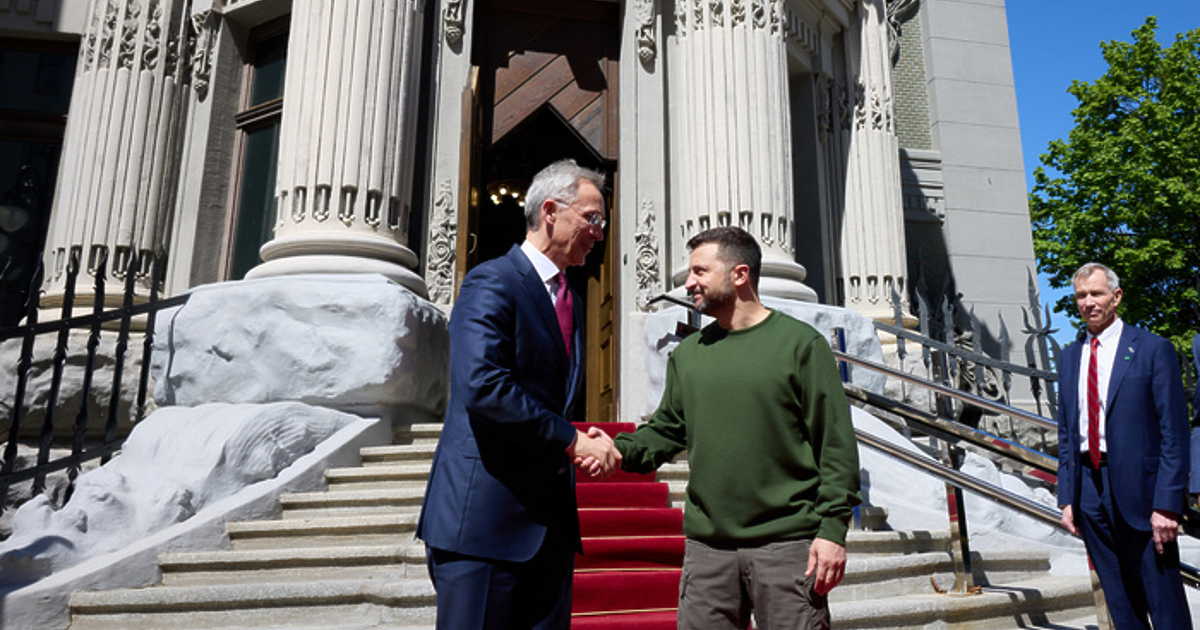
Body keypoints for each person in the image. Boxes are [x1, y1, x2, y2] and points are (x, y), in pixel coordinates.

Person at [609, 226, 861, 630]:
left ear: (740, 275)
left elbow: (835, 446)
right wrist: (615, 450)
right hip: (708, 551)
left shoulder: (800, 346)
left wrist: (832, 530)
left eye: (700, 271)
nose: (689, 282)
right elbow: (666, 431)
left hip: (788, 546)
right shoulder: (689, 355)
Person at [416, 159, 623, 630]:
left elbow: (549, 398)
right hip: (483, 529)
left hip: (546, 528)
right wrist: (571, 441)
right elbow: (484, 386)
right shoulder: (493, 281)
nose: (600, 231)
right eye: (593, 218)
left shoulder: (571, 295)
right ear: (551, 211)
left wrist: (579, 439)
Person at [1055, 262, 1192, 629]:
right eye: (1081, 296)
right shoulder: (1069, 358)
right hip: (1089, 489)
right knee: (1119, 601)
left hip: (1143, 493)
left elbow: (1174, 434)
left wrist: (1167, 503)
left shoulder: (1151, 349)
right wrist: (1067, 497)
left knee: (1164, 603)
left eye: (1096, 294)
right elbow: (1067, 433)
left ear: (1116, 297)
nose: (1089, 302)